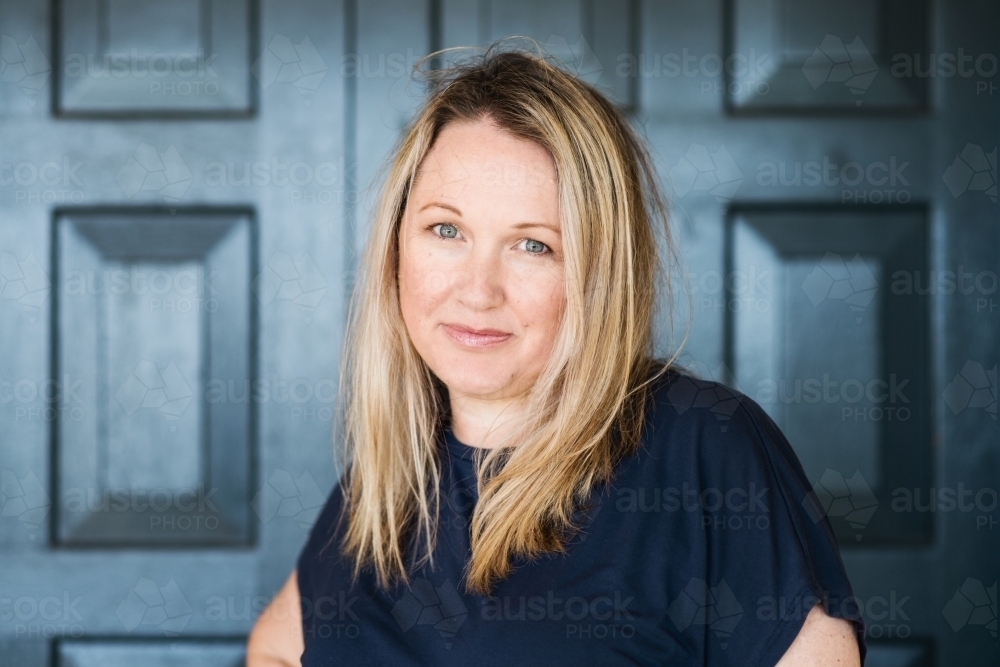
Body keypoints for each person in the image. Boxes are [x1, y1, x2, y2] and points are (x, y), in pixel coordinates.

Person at [247, 43, 866, 666]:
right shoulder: (390, 472)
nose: (477, 289)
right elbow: (272, 651)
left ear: (599, 274)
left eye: (533, 246)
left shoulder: (706, 448)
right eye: (446, 230)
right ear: (396, 245)